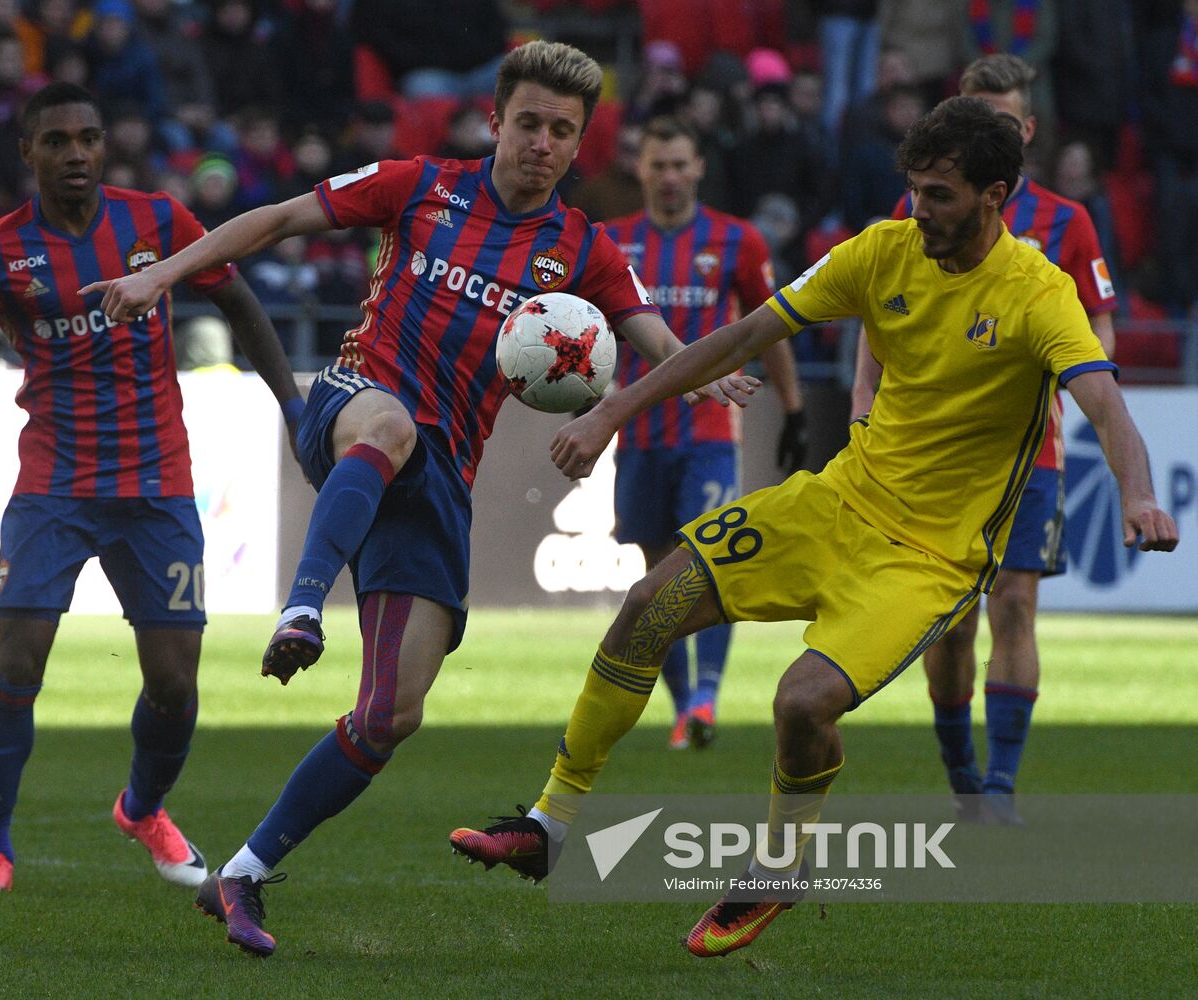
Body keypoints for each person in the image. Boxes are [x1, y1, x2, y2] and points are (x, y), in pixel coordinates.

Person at [449, 96, 1178, 957]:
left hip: (928, 558)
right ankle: (551, 823)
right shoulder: (882, 250)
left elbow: (1101, 399)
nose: (919, 211)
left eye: (939, 196)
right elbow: (746, 333)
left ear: (996, 194)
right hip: (833, 504)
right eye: (913, 190)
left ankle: (780, 866)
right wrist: (615, 410)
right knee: (650, 601)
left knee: (800, 704)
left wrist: (1136, 493)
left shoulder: (1036, 294)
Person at [84, 40, 751, 958]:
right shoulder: (419, 185)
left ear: (579, 142)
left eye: (563, 131)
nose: (543, 144)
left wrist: (704, 375)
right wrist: (160, 276)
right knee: (390, 428)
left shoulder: (583, 251)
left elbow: (655, 341)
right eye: (529, 124)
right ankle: (304, 607)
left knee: (391, 713)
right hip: (355, 405)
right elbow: (277, 219)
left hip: (441, 476)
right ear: (495, 121)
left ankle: (239, 875)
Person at [0, 82, 302, 894]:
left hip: (159, 484)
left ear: (104, 146)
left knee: (176, 682)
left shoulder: (158, 224)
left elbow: (243, 307)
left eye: (89, 138)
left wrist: (292, 407)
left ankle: (143, 809)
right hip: (55, 485)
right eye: (58, 141)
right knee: (19, 659)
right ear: (27, 153)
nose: (76, 153)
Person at [851, 54, 1118, 824]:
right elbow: (877, 313)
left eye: (1002, 118)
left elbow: (1098, 323)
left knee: (1015, 606)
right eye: (974, 112)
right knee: (952, 619)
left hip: (1030, 453)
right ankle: (957, 762)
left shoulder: (1067, 221)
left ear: (1026, 129)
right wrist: (864, 398)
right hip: (935, 452)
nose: (987, 128)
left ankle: (998, 784)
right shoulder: (925, 212)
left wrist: (1082, 367)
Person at [603, 116, 806, 750]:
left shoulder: (738, 241)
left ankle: (705, 700)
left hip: (710, 430)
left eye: (678, 165)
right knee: (653, 576)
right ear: (640, 169)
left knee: (708, 563)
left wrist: (794, 410)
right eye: (656, 165)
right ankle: (684, 704)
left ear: (698, 169)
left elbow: (769, 329)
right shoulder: (612, 245)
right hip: (639, 435)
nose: (668, 177)